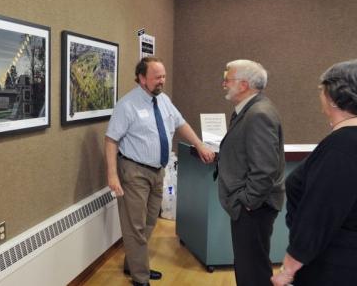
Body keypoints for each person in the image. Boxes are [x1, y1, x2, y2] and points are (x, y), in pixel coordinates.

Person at [105, 56, 215, 286]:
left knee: (148, 222)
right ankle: (140, 277)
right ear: (142, 78)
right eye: (157, 77)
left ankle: (133, 264)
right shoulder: (127, 105)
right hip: (133, 171)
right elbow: (111, 140)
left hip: (157, 172)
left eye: (163, 76)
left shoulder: (163, 100)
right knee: (134, 225)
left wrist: (199, 144)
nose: (162, 81)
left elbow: (180, 123)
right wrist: (112, 174)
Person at [271, 59, 357, 286]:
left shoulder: (342, 147)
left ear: (332, 96)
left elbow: (319, 215)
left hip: (337, 268)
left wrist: (287, 270)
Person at [217, 59, 285, 286]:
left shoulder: (258, 114)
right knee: (248, 265)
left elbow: (265, 168)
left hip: (254, 208)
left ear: (244, 84)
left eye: (227, 79)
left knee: (253, 270)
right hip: (250, 206)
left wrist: (247, 202)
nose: (223, 84)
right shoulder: (248, 110)